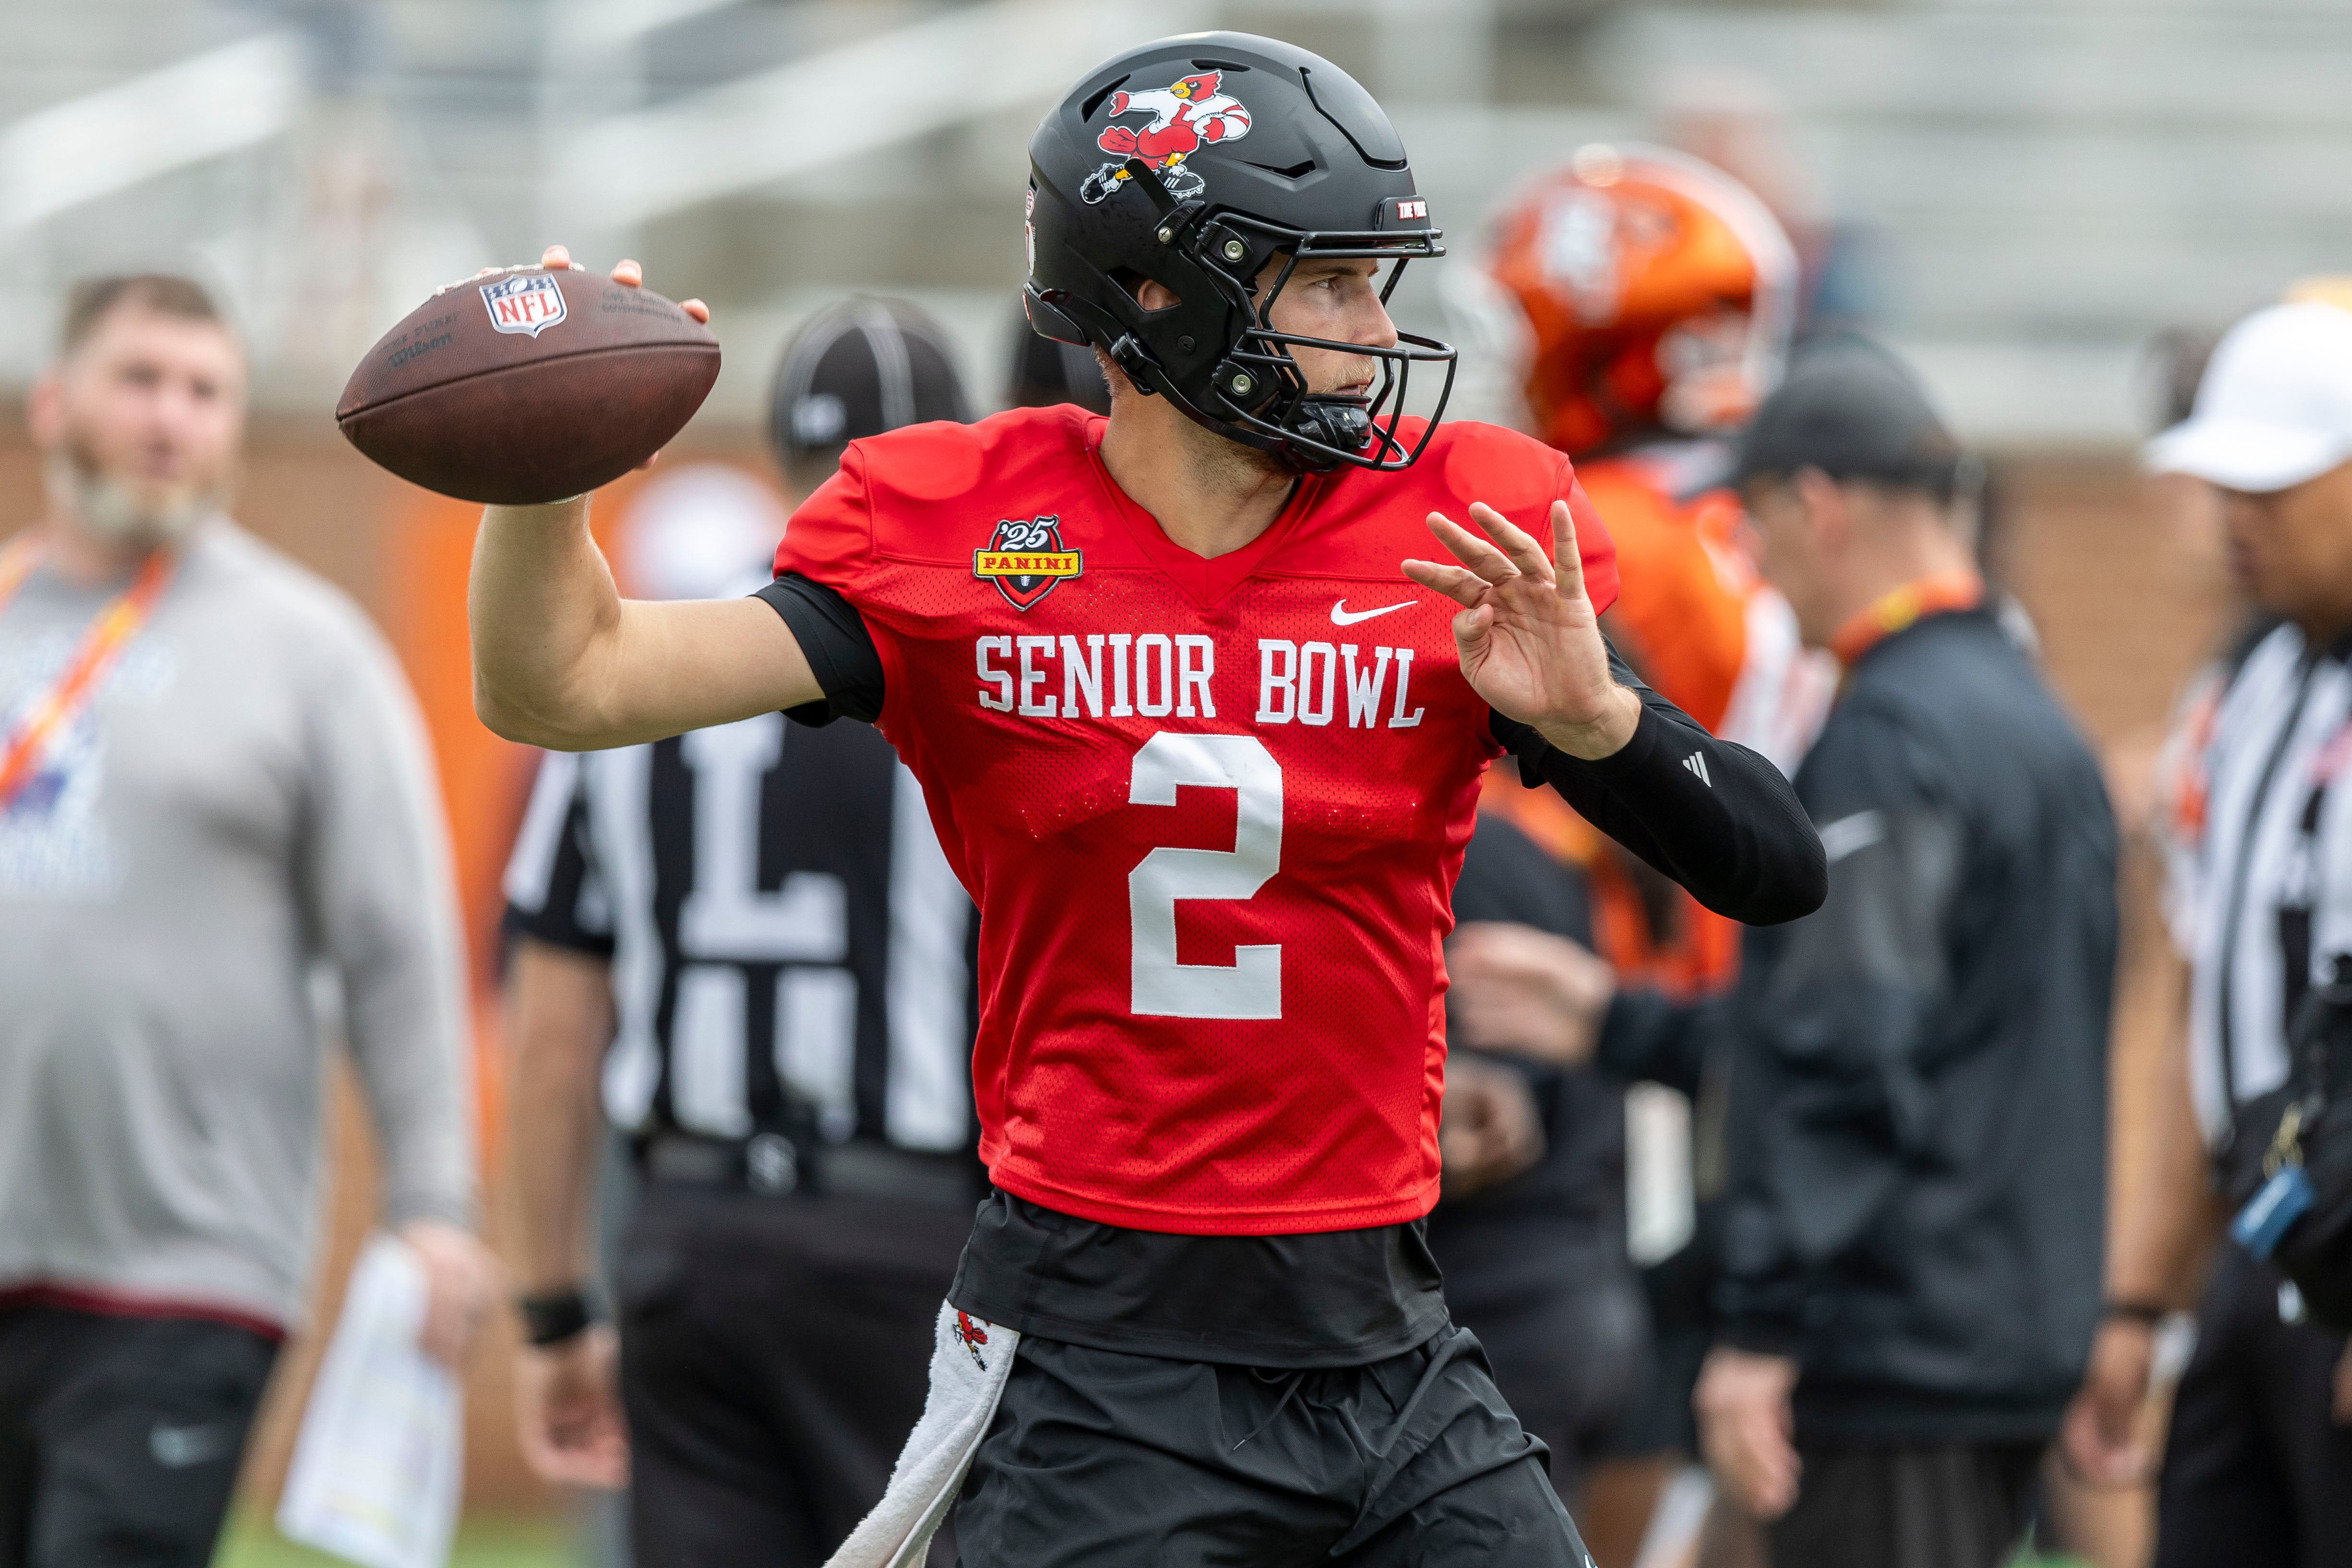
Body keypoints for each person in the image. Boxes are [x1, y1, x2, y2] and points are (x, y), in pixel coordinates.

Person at [464, 33, 1825, 1566]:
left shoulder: (1462, 525)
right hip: (1100, 1348)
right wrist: (543, 473)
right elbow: (564, 684)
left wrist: (1598, 721)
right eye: (1330, 282)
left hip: (1383, 1328)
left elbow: (1772, 866)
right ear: (1163, 296)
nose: (1380, 329)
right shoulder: (961, 528)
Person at [1581, 346, 2115, 1568]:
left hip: (1889, 1351)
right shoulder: (2033, 718)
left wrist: (1765, 1325)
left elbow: (1846, 1044)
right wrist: (1615, 1021)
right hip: (1998, 1319)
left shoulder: (1888, 732)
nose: (1751, 560)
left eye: (1753, 518)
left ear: (1814, 506)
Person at [0, 275, 494, 1568]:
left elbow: (400, 949)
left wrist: (434, 1204)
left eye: (205, 391)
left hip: (187, 1264)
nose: (173, 419)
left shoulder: (307, 653)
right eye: (140, 380)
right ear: (54, 404)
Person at [502, 298, 979, 1568]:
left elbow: (550, 1037)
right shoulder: (997, 662)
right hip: (914, 1236)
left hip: (692, 1235)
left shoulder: (650, 656)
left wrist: (553, 1305)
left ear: (780, 457)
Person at [1448, 142, 1838, 1562]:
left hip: (1627, 994)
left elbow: (1550, 785)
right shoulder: (1738, 511)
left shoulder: (1615, 531)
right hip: (1737, 988)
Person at [2063, 299, 2352, 1568]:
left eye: (2273, 487)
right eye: (2225, 482)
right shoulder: (2246, 689)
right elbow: (2199, 998)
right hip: (2258, 1256)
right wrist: (2139, 1299)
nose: (2237, 518)